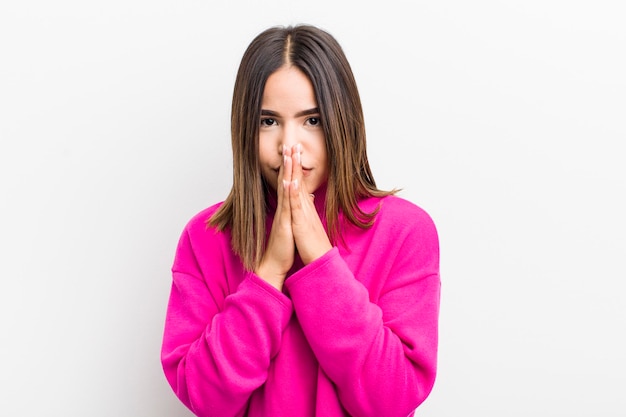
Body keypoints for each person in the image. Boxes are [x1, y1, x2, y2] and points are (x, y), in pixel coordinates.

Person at [161, 24, 441, 417]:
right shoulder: (205, 237)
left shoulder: (404, 232)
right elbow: (205, 398)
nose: (289, 145)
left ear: (342, 124)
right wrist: (269, 272)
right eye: (268, 121)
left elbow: (392, 400)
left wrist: (320, 260)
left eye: (312, 121)